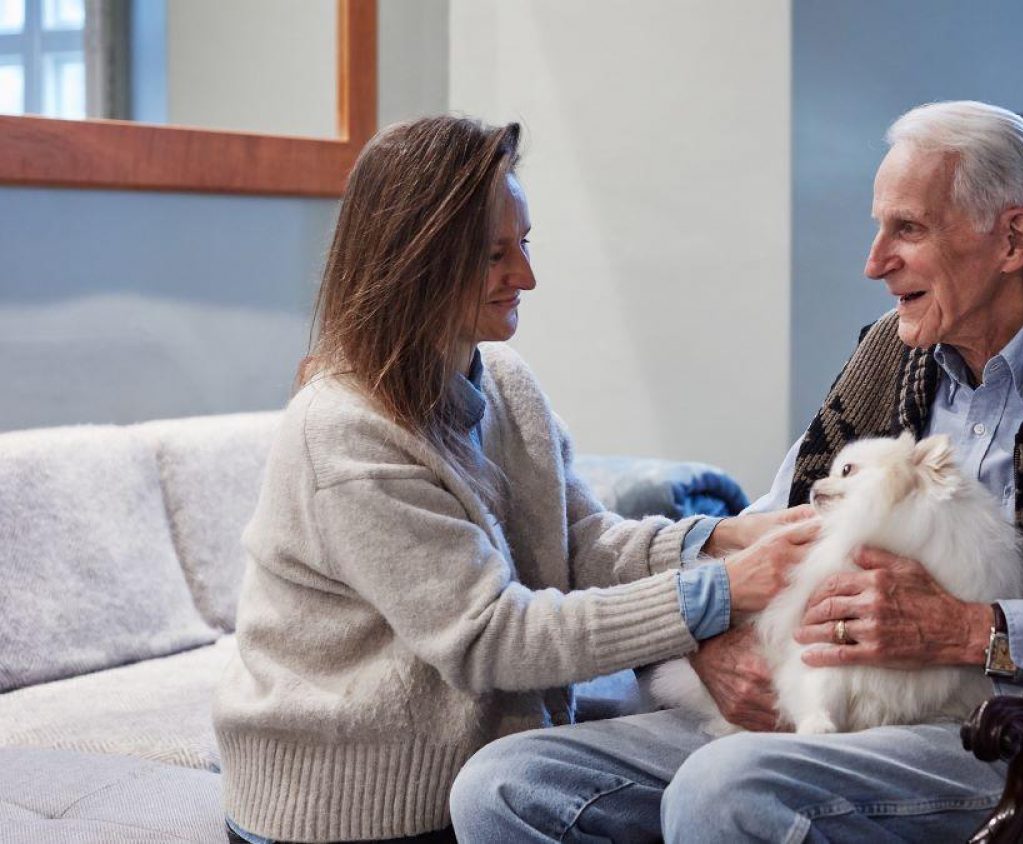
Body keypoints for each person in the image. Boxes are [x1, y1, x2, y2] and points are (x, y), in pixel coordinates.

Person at [450, 100, 1023, 842]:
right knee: (509, 783)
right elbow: (767, 532)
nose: (875, 262)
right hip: (813, 716)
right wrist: (709, 650)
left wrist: (977, 631)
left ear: (1013, 239)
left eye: (907, 230)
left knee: (729, 790)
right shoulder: (888, 353)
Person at [212, 115, 814, 844]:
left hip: (476, 753)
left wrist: (718, 538)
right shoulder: (342, 433)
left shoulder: (504, 381)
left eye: (524, 244)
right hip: (353, 807)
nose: (525, 276)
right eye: (496, 255)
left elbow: (582, 540)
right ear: (418, 262)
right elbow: (493, 637)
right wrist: (720, 590)